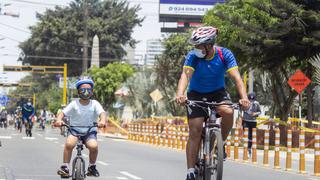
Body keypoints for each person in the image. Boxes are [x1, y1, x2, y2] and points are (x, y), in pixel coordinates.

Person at [175, 26, 250, 180]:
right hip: (196, 94)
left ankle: (219, 143)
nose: (196, 49)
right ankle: (190, 171)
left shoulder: (224, 54)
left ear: (209, 45)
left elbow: (236, 78)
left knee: (229, 112)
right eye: (195, 46)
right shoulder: (193, 56)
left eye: (199, 46)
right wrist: (180, 94)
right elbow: (185, 75)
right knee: (195, 131)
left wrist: (244, 98)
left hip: (217, 93)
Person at [55, 76, 107, 178]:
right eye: (83, 89)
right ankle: (65, 167)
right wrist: (58, 120)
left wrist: (102, 121)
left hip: (89, 131)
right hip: (74, 130)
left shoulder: (95, 103)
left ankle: (92, 167)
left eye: (88, 89)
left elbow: (102, 113)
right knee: (69, 144)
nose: (86, 92)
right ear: (78, 91)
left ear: (92, 91)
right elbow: (62, 113)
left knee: (93, 146)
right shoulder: (74, 103)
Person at [242, 92, 261, 156]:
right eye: (250, 99)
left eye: (252, 100)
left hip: (253, 121)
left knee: (251, 136)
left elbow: (259, 112)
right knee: (246, 134)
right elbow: (241, 109)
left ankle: (249, 148)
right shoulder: (245, 103)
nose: (251, 101)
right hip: (245, 120)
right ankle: (246, 147)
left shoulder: (257, 103)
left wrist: (255, 114)